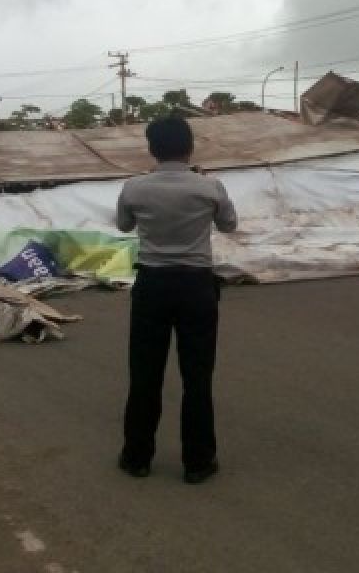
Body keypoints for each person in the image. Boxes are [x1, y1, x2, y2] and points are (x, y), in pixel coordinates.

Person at [115, 116, 238, 484]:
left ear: (151, 149)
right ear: (190, 147)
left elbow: (123, 226)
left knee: (144, 374)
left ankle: (137, 456)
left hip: (152, 284)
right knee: (197, 377)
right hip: (196, 286)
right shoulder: (209, 186)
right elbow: (229, 225)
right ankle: (198, 461)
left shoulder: (134, 187)